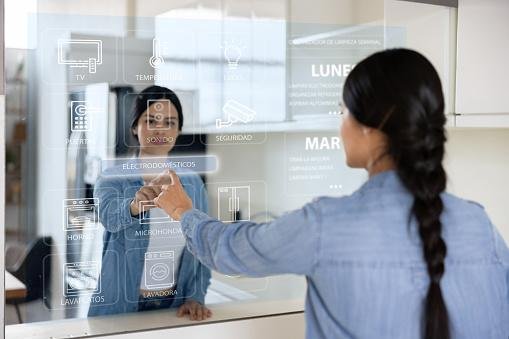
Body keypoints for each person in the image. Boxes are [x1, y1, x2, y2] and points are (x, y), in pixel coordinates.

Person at [153, 50, 509, 338]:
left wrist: (183, 211)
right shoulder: (480, 224)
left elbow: (230, 250)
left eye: (342, 111)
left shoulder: (327, 226)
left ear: (372, 126)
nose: (340, 125)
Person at [88, 86, 212, 321]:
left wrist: (196, 296)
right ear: (135, 126)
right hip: (119, 309)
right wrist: (135, 205)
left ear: (179, 130)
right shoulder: (112, 177)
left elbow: (203, 246)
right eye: (151, 120)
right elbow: (109, 217)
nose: (161, 129)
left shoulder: (193, 183)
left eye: (170, 122)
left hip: (174, 309)